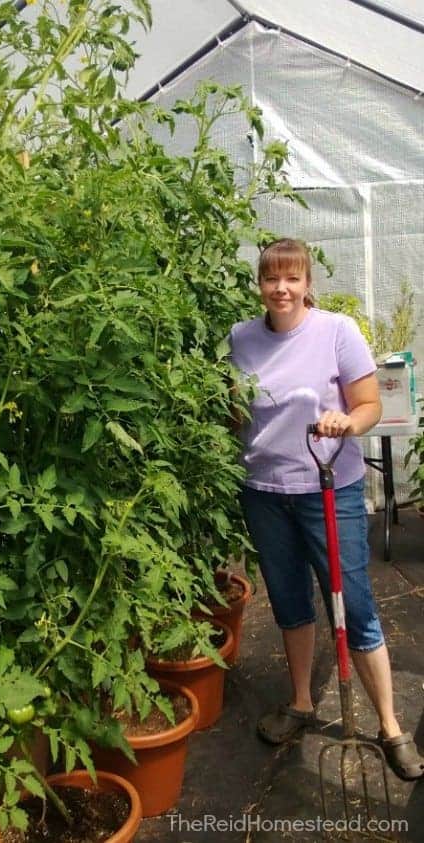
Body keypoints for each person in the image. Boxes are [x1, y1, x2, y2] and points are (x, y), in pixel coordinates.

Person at [229, 238, 424, 781]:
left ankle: (388, 726)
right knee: (289, 599)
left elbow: (369, 404)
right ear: (260, 286)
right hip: (264, 491)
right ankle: (301, 704)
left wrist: (348, 423)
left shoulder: (336, 331)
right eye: (272, 278)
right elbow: (233, 411)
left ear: (307, 283)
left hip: (327, 486)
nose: (282, 288)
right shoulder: (241, 339)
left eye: (292, 278)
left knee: (352, 603)